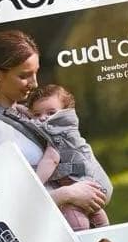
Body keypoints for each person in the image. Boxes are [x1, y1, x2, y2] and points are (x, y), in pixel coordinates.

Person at [0, 30, 105, 227]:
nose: (35, 83)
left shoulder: (26, 115)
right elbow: (4, 204)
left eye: (35, 72)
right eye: (24, 75)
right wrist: (67, 194)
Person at [26, 84, 113, 230]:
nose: (43, 118)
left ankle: (80, 233)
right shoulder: (68, 129)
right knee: (96, 214)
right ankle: (104, 229)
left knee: (72, 214)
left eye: (51, 113)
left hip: (83, 186)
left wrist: (36, 181)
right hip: (98, 185)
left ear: (65, 112)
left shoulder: (58, 135)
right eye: (37, 115)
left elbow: (51, 159)